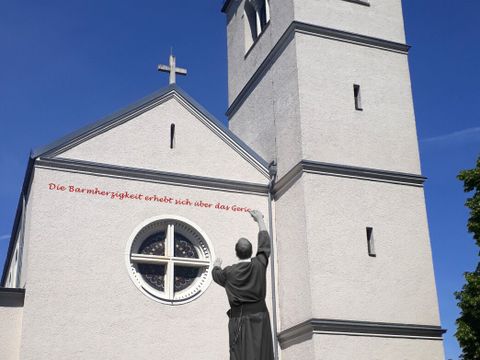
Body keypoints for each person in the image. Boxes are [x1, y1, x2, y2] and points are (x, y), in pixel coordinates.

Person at [212, 210, 274, 360]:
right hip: (259, 317)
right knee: (261, 354)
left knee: (239, 355)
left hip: (238, 320)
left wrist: (216, 265)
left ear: (236, 252)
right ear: (252, 251)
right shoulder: (259, 264)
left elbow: (215, 275)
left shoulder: (228, 273)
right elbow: (265, 244)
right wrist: (259, 219)